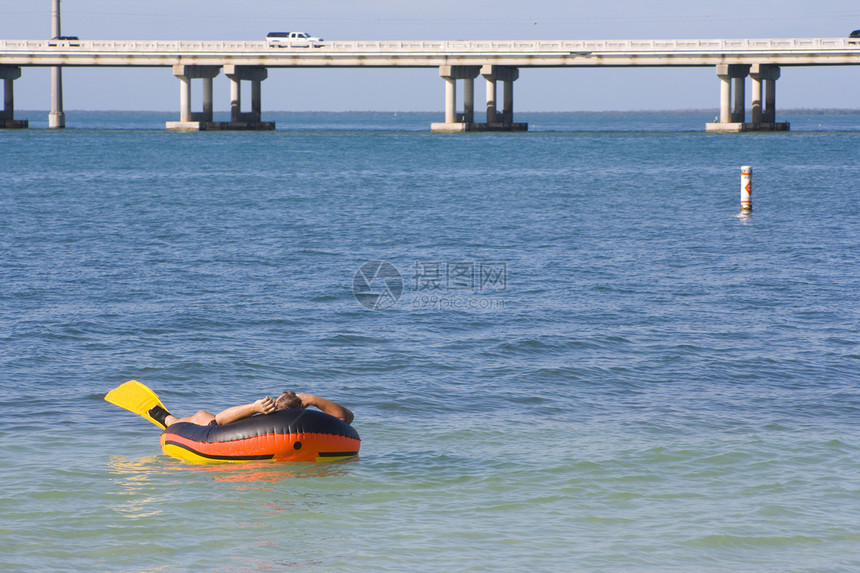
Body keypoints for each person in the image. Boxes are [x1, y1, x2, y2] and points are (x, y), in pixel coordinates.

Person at [148, 391, 353, 428]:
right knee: (203, 416)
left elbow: (218, 421)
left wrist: (253, 407)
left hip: (220, 428)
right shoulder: (313, 422)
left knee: (201, 415)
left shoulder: (261, 418)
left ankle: (169, 421)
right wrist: (312, 399)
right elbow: (345, 417)